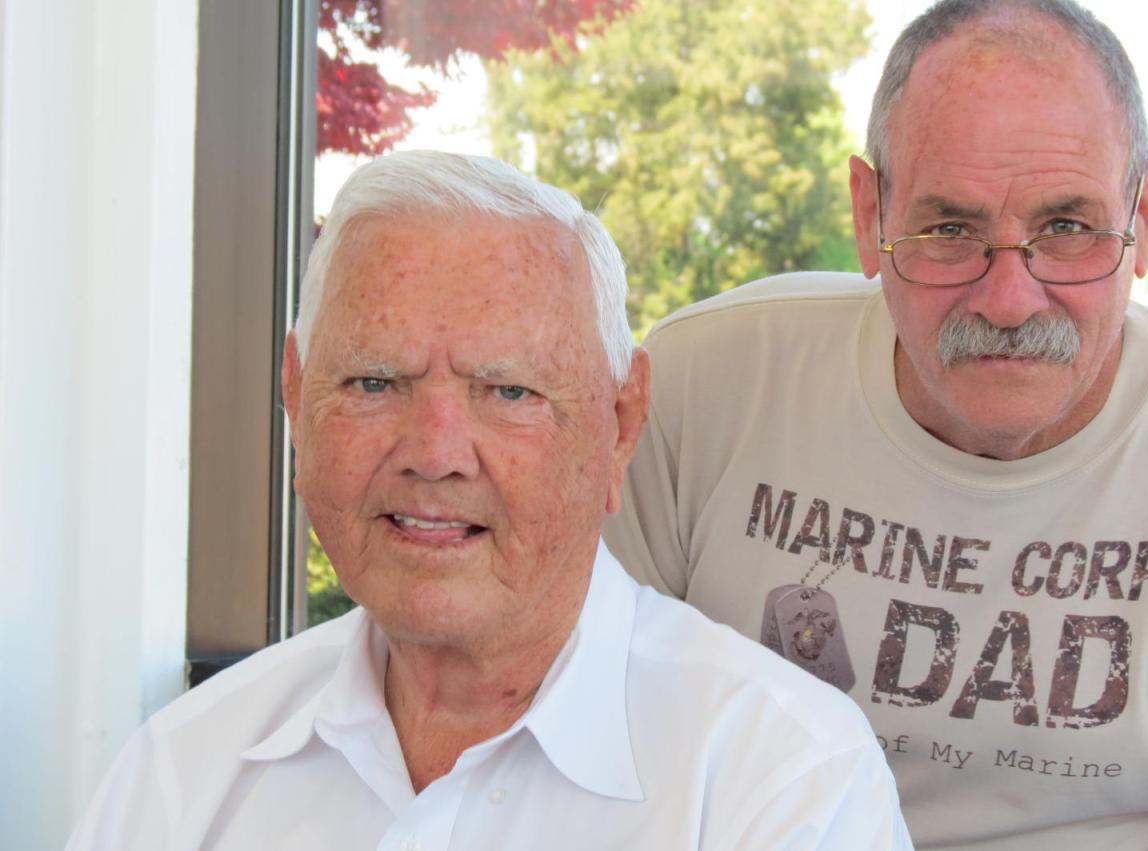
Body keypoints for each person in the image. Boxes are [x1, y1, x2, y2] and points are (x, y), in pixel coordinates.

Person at [66, 151, 911, 850]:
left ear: (620, 426)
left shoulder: (783, 781)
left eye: (508, 391)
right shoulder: (182, 773)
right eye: (374, 382)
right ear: (295, 399)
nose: (435, 454)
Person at [603, 1, 1148, 848]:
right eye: (950, 229)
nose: (1008, 301)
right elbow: (581, 747)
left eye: (1066, 228)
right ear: (870, 215)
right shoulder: (702, 389)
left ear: (1143, 216)